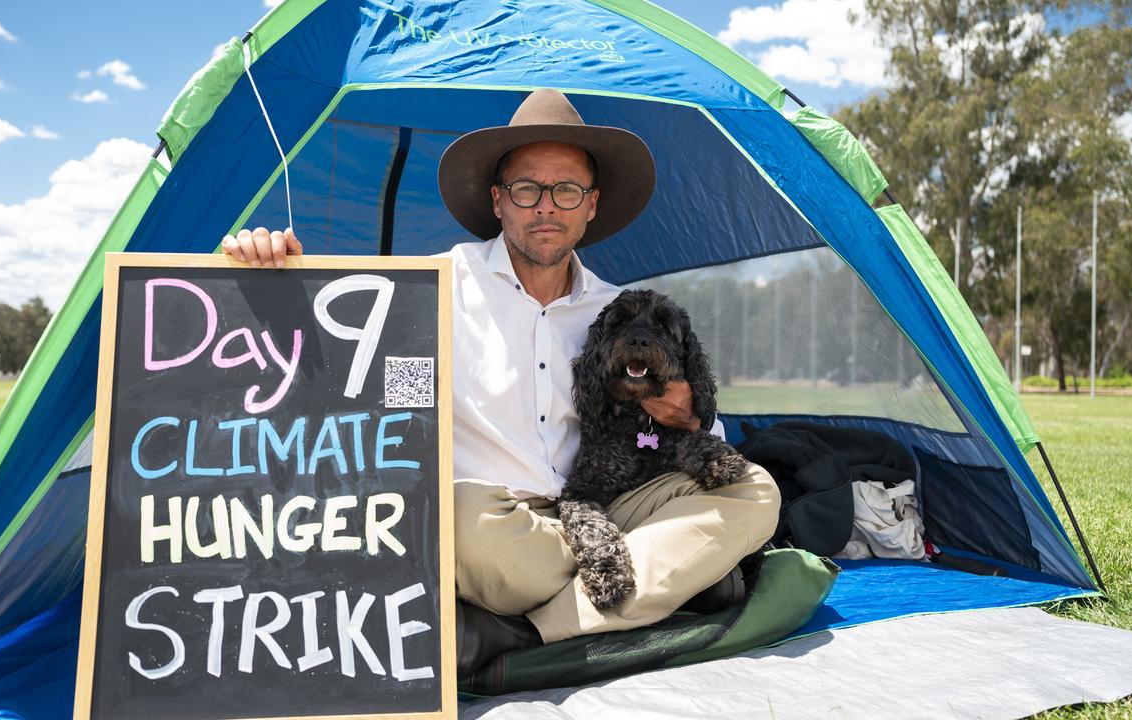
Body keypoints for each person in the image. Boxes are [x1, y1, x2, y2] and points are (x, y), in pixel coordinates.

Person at [221, 89, 779, 678]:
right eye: (526, 190)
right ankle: (667, 579)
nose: (547, 207)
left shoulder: (621, 313)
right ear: (498, 202)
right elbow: (344, 384)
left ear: (590, 206)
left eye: (566, 191)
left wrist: (687, 416)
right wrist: (274, 289)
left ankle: (525, 631)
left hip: (606, 512)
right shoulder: (433, 289)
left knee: (755, 490)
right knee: (454, 513)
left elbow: (700, 438)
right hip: (501, 528)